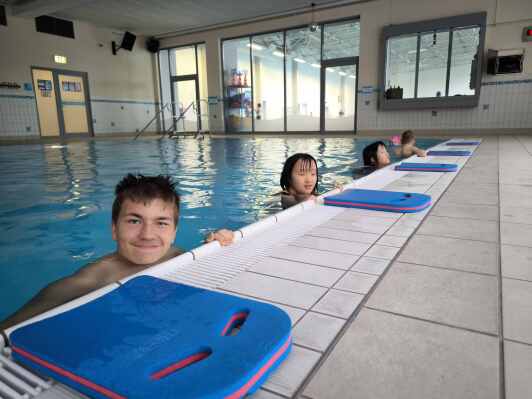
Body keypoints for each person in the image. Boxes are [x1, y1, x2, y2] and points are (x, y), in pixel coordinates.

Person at [0, 174, 234, 335]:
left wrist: (213, 243)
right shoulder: (91, 280)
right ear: (114, 228)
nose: (147, 235)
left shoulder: (175, 255)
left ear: (174, 232)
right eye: (134, 220)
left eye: (161, 223)